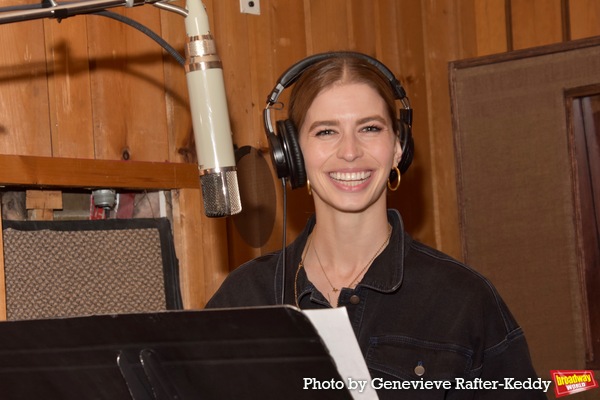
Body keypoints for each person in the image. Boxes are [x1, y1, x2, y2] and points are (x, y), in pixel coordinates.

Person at [205, 51, 547, 399]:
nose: (350, 151)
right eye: (326, 132)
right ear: (292, 156)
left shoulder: (463, 300)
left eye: (369, 128)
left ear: (398, 147)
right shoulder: (243, 296)